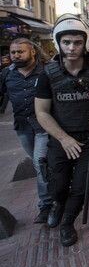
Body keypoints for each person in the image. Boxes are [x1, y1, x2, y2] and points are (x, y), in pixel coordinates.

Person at [34, 14, 89, 246]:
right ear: (58, 43)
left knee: (84, 184)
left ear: (85, 43)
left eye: (77, 42)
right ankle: (58, 204)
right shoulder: (48, 74)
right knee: (59, 185)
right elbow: (42, 112)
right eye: (66, 42)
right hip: (60, 140)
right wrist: (64, 139)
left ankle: (68, 223)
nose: (72, 47)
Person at [0, 39, 52, 223]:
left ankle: (46, 205)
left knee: (40, 163)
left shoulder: (47, 70)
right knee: (44, 166)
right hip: (23, 128)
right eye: (13, 52)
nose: (15, 55)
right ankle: (58, 191)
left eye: (20, 52)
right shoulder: (7, 74)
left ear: (33, 52)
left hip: (45, 126)